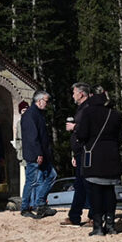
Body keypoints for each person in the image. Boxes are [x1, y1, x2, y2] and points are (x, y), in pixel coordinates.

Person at [75, 89, 122, 236]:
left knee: (95, 192)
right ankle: (110, 225)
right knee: (110, 192)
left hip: (94, 157)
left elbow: (82, 134)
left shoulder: (88, 113)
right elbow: (120, 138)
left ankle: (97, 227)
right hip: (112, 157)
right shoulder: (115, 114)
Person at [60, 82, 94, 227]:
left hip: (87, 152)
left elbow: (91, 129)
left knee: (88, 184)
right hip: (80, 152)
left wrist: (75, 127)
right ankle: (74, 216)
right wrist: (75, 154)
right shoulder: (80, 109)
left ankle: (94, 216)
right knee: (79, 184)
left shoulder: (88, 109)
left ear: (81, 94)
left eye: (74, 92)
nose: (73, 95)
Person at [19, 90, 57, 219]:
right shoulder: (30, 115)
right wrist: (38, 154)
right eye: (46, 101)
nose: (47, 104)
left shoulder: (39, 114)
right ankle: (25, 207)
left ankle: (40, 203)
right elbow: (32, 137)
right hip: (35, 154)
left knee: (52, 175)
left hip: (43, 154)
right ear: (39, 100)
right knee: (32, 181)